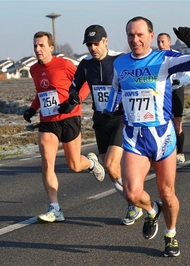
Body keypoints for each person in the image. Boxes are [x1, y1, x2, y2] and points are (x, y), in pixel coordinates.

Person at [104, 16, 190, 257]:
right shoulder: (120, 63)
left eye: (140, 34)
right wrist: (107, 112)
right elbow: (116, 90)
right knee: (131, 193)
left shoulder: (165, 59)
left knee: (168, 194)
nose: (135, 39)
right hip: (134, 136)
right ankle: (151, 211)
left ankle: (170, 235)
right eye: (130, 35)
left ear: (151, 36)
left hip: (162, 137)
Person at [23, 31, 105, 223]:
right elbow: (41, 92)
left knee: (75, 165)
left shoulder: (65, 64)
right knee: (46, 163)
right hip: (47, 122)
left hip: (69, 118)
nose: (38, 49)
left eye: (41, 45)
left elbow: (85, 83)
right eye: (35, 46)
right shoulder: (33, 69)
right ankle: (55, 208)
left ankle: (91, 163)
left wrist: (74, 101)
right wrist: (32, 109)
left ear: (51, 47)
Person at [69, 25, 142, 226]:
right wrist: (73, 96)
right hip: (100, 120)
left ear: (106, 41)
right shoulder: (85, 64)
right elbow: (75, 85)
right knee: (111, 169)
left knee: (111, 164)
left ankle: (133, 203)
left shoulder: (120, 60)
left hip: (120, 118)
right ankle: (131, 202)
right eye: (89, 44)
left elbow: (138, 79)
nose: (93, 48)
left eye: (96, 43)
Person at [157, 33, 190, 164]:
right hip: (161, 94)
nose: (160, 45)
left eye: (163, 42)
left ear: (169, 42)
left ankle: (180, 152)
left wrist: (176, 82)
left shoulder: (178, 56)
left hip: (176, 91)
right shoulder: (155, 57)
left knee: (177, 123)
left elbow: (189, 77)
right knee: (161, 123)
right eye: (158, 42)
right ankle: (164, 153)